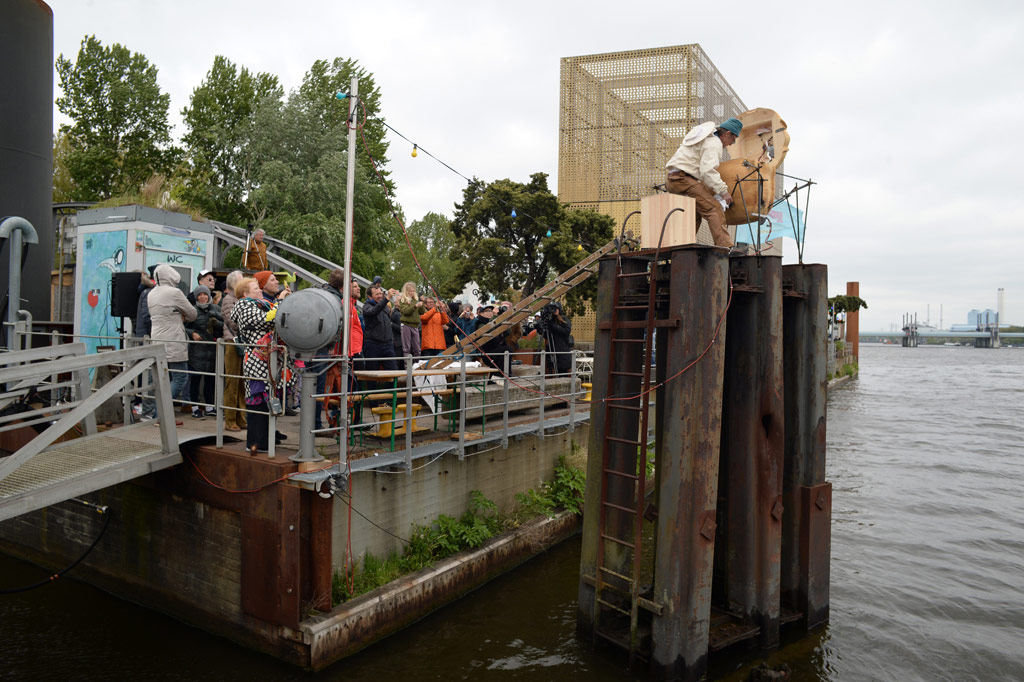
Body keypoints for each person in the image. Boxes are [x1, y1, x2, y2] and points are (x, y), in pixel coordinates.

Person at [664, 117, 743, 248]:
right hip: (683, 179)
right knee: (714, 209)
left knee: (696, 213)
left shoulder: (705, 139)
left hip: (673, 179)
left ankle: (684, 246)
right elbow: (707, 171)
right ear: (727, 134)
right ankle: (725, 247)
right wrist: (723, 192)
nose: (730, 144)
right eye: (733, 140)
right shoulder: (714, 143)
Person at [230, 276, 279, 454]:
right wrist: (279, 303)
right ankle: (255, 441)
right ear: (245, 293)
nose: (260, 291)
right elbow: (266, 320)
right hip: (256, 361)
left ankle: (264, 441)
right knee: (257, 401)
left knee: (265, 400)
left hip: (264, 361)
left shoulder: (257, 305)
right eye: (256, 288)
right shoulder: (244, 307)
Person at [147, 264, 197, 411]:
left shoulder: (151, 293)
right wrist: (181, 316)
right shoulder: (174, 292)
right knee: (180, 378)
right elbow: (192, 314)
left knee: (163, 379)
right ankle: (162, 413)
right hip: (174, 339)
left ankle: (157, 412)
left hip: (156, 339)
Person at [185, 285, 224, 419]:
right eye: (199, 295)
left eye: (205, 294)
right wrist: (193, 333)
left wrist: (216, 323)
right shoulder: (192, 311)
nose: (203, 297)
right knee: (195, 381)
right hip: (196, 353)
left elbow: (225, 324)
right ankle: (195, 408)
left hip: (212, 352)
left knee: (210, 382)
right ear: (196, 297)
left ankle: (209, 407)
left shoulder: (216, 309)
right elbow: (183, 327)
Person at [219, 270, 247, 432]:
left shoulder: (237, 299)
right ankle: (230, 420)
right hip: (232, 342)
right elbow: (233, 323)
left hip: (238, 342)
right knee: (232, 382)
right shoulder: (229, 299)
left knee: (242, 382)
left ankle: (241, 418)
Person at [361, 284, 397, 372]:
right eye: (377, 294)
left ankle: (390, 386)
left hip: (387, 344)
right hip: (373, 344)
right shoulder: (366, 307)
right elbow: (375, 310)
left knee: (393, 371)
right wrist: (386, 298)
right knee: (372, 373)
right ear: (370, 296)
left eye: (381, 293)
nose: (380, 296)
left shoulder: (385, 307)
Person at [540, 302, 572, 376]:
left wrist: (553, 325)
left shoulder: (564, 320)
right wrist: (541, 328)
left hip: (562, 350)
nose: (554, 310)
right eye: (552, 309)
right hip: (553, 349)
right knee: (552, 371)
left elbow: (566, 331)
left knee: (562, 373)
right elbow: (546, 336)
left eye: (556, 308)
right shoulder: (550, 321)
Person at [397, 281, 426, 358]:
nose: (412, 292)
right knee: (407, 348)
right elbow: (406, 312)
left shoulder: (415, 300)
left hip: (415, 325)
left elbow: (422, 312)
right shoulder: (403, 300)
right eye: (410, 291)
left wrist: (422, 302)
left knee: (417, 349)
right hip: (406, 325)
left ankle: (417, 366)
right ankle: (407, 367)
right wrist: (415, 306)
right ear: (406, 291)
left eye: (413, 291)